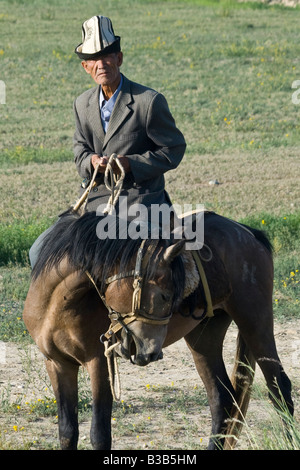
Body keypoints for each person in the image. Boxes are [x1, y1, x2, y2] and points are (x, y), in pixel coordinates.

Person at [29, 15, 186, 267]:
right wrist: (91, 162)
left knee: (125, 266)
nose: (100, 64)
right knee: (39, 252)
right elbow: (80, 149)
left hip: (140, 205)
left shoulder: (148, 101)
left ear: (119, 59)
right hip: (93, 206)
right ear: (85, 67)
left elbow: (173, 149)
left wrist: (130, 164)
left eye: (107, 56)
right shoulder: (82, 104)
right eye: (93, 60)